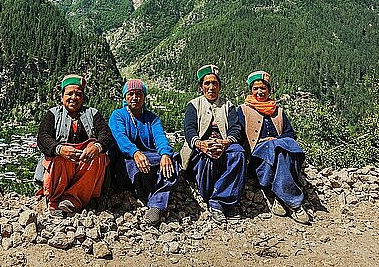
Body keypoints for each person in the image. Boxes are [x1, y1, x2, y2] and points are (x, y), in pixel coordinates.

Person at [237, 71, 310, 224]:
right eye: (256, 88)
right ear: (251, 90)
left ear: (269, 90)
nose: (259, 92)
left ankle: (280, 198)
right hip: (258, 157)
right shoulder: (243, 110)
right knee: (279, 149)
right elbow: (239, 135)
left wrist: (275, 140)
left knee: (281, 150)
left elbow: (290, 134)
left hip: (278, 153)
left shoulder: (279, 112)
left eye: (263, 88)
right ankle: (295, 203)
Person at [35, 74, 112, 213]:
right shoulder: (52, 114)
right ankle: (56, 200)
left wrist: (96, 147)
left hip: (85, 164)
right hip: (63, 165)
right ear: (62, 97)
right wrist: (59, 149)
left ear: (83, 98)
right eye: (69, 93)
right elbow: (43, 137)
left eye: (78, 94)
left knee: (99, 155)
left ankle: (73, 199)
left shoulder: (93, 114)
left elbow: (106, 135)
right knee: (57, 156)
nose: (73, 98)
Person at [182, 65, 246, 223]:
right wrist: (201, 144)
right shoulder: (194, 105)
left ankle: (221, 201)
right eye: (207, 83)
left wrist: (225, 143)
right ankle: (210, 196)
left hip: (223, 143)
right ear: (201, 87)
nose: (211, 87)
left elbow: (235, 128)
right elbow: (189, 129)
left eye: (214, 83)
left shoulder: (228, 106)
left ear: (219, 86)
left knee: (238, 154)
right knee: (208, 159)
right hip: (200, 145)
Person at [109, 79, 179, 225]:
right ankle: (152, 196)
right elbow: (121, 138)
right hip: (125, 158)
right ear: (125, 97)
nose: (135, 98)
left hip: (147, 156)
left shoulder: (151, 118)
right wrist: (135, 152)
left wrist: (165, 154)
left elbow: (160, 137)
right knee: (138, 168)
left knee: (172, 162)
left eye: (139, 94)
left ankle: (156, 204)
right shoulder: (118, 116)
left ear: (144, 97)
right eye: (131, 94)